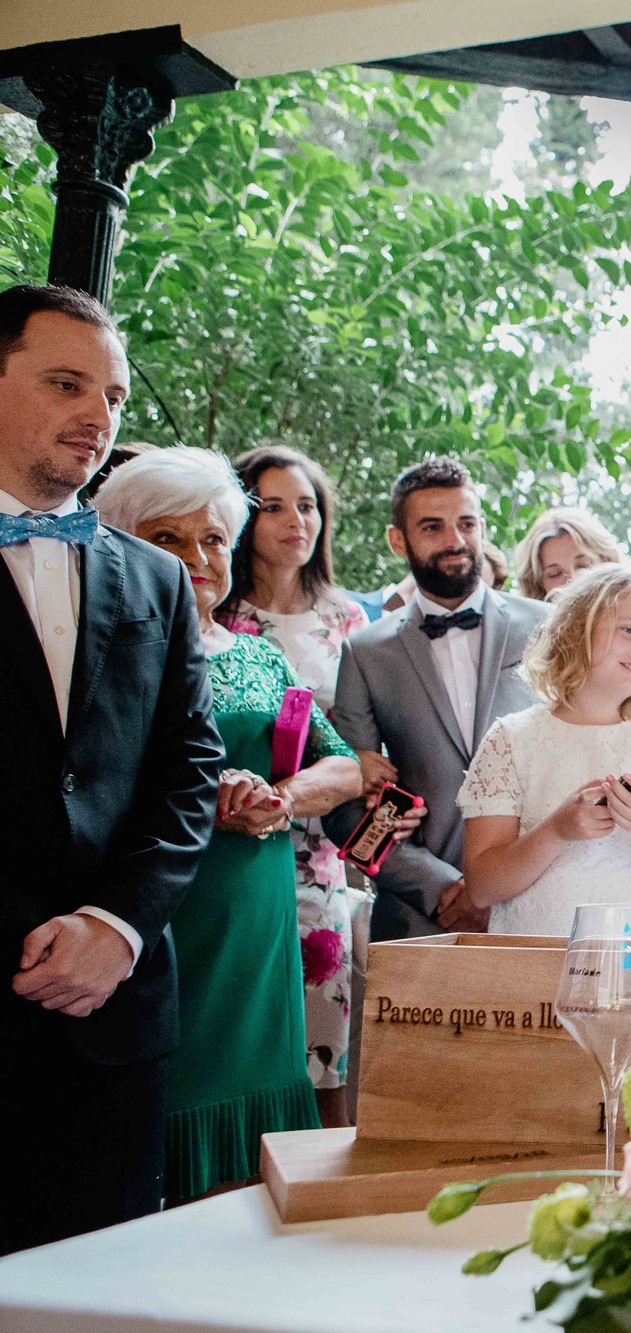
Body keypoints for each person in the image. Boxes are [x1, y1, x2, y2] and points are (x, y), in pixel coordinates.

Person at [0, 287, 224, 1253]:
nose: (98, 417)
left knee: (110, 1289)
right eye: (66, 384)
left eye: (117, 397)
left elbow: (189, 771)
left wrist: (116, 926)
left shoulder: (159, 579)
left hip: (118, 1014)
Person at [96, 447, 362, 1202]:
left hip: (259, 910)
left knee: (257, 1149)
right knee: (166, 1118)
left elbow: (343, 767)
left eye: (212, 537)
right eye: (168, 537)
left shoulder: (259, 658)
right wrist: (203, 791)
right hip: (167, 909)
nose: (197, 556)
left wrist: (280, 795)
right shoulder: (104, 651)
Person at [323, 459, 551, 941]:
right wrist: (442, 890)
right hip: (421, 920)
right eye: (432, 526)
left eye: (466, 523)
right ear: (397, 540)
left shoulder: (551, 627)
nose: (455, 540)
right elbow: (346, 811)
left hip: (542, 907)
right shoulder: (364, 653)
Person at [217, 444, 370, 1127]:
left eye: (306, 505)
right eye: (272, 505)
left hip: (321, 846)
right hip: (227, 837)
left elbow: (366, 739)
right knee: (234, 1027)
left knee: (322, 1040)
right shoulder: (216, 617)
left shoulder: (347, 621)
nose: (293, 520)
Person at [459, 565, 631, 933]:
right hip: (534, 968)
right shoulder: (511, 740)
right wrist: (556, 831)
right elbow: (482, 888)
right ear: (577, 629)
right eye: (629, 630)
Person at [515, 505, 631, 703]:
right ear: (539, 586)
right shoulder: (533, 657)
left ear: (607, 562)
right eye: (555, 574)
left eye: (583, 566)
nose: (572, 580)